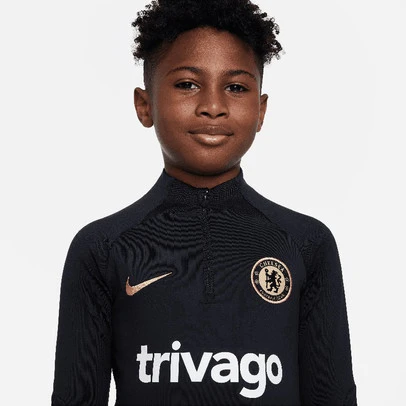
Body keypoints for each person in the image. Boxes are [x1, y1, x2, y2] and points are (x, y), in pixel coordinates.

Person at [51, 0, 357, 405]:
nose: (213, 106)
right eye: (187, 84)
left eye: (236, 87)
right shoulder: (103, 248)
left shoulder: (305, 244)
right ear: (145, 105)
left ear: (261, 110)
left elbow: (333, 396)